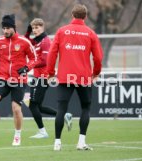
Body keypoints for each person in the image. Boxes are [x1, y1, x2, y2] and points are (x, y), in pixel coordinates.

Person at [47, 4, 103, 151]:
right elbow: (98, 57)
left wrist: (50, 73)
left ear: (72, 15)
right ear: (85, 16)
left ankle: (57, 143)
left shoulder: (61, 31)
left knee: (61, 109)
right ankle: (81, 142)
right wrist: (96, 73)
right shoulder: (90, 33)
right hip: (84, 77)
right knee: (85, 108)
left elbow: (52, 54)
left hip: (65, 76)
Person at [0, 14, 37, 146]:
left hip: (19, 80)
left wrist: (26, 68)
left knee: (16, 109)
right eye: (3, 28)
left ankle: (17, 136)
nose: (5, 31)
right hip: (2, 78)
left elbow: (34, 59)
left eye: (7, 28)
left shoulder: (24, 42)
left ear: (14, 28)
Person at [24, 18, 73, 139]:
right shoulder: (37, 40)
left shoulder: (45, 41)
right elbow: (26, 42)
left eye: (37, 27)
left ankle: (43, 132)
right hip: (37, 76)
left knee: (32, 105)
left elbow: (44, 61)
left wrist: (29, 66)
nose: (35, 30)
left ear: (43, 27)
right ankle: (64, 115)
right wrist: (27, 32)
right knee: (37, 106)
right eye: (33, 28)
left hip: (42, 77)